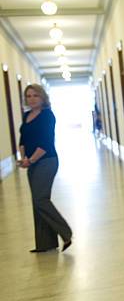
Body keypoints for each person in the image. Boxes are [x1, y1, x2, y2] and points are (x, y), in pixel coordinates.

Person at [17, 84, 72, 253]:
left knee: (41, 199)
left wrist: (31, 160)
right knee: (36, 201)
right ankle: (45, 243)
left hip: (46, 161)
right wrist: (24, 157)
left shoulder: (47, 116)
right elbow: (23, 140)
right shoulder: (27, 115)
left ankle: (66, 232)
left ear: (42, 98)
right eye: (29, 96)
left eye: (35, 95)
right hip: (32, 162)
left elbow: (45, 143)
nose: (32, 98)